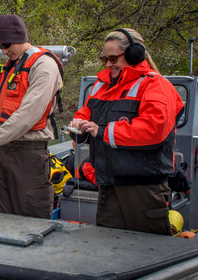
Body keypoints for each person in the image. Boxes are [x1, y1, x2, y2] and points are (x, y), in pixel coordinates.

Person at [68, 28, 184, 235]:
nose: (108, 64)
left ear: (134, 55)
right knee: (106, 248)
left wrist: (101, 131)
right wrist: (79, 128)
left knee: (145, 253)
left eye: (113, 58)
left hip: (142, 190)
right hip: (107, 186)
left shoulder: (155, 85)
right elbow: (85, 114)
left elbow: (153, 130)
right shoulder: (101, 85)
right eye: (105, 59)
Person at [0, 14, 64, 218]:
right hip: (3, 153)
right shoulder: (12, 66)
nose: (3, 51)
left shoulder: (43, 66)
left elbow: (27, 115)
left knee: (31, 216)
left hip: (29, 155)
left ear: (20, 37)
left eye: (6, 44)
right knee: (3, 215)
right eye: (0, 46)